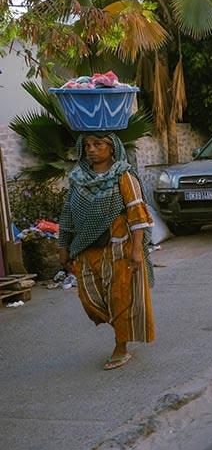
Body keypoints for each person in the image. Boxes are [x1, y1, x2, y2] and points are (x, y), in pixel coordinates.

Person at [58, 133, 155, 370]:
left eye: (98, 144)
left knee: (119, 297)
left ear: (112, 148)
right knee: (89, 298)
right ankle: (121, 327)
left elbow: (136, 214)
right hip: (86, 250)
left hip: (119, 248)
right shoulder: (78, 178)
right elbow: (68, 215)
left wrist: (136, 250)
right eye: (87, 145)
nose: (91, 149)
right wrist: (63, 246)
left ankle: (120, 346)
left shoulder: (123, 175)